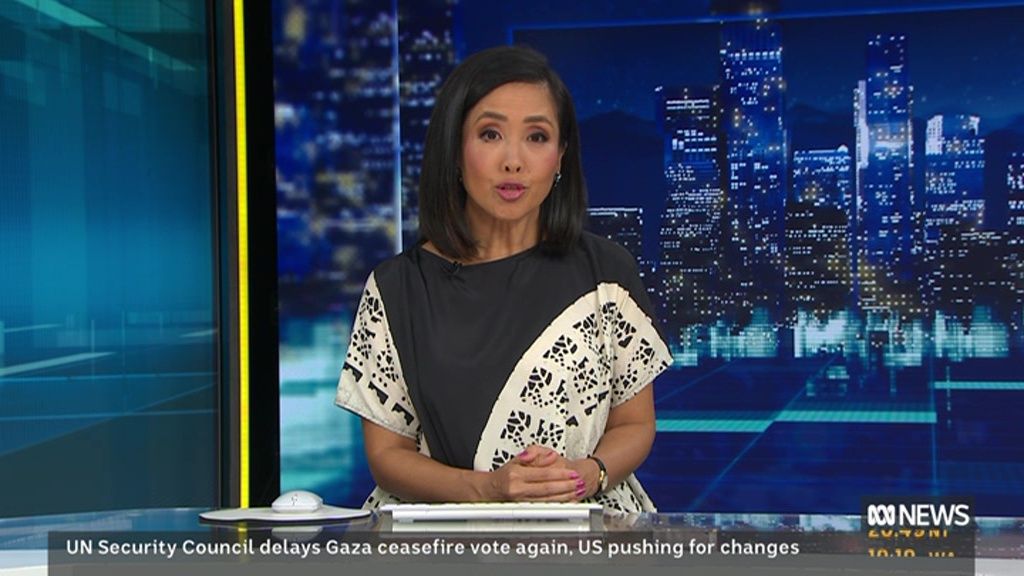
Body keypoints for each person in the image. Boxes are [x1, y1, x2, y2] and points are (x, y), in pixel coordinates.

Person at [335, 45, 672, 513]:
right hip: (443, 535)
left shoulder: (607, 272)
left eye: (537, 137)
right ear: (455, 151)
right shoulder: (397, 288)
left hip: (589, 526)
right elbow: (387, 455)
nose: (513, 161)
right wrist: (490, 489)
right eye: (490, 134)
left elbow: (635, 424)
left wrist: (585, 475)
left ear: (560, 157)